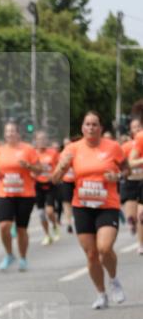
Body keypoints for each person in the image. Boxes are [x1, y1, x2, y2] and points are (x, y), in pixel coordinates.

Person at [52, 110, 126, 308]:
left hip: (107, 205)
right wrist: (62, 167)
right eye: (87, 124)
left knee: (105, 248)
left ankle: (114, 279)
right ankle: (101, 294)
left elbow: (125, 169)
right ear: (82, 128)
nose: (91, 128)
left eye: (95, 124)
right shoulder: (72, 149)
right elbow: (54, 179)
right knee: (92, 254)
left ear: (101, 128)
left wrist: (117, 177)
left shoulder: (113, 147)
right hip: (82, 206)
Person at [0, 121, 40, 272]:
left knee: (21, 229)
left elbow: (39, 170)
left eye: (13, 131)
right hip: (5, 193)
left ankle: (23, 258)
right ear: (5, 134)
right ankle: (9, 254)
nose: (10, 134)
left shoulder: (28, 149)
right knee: (4, 226)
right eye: (7, 131)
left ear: (18, 133)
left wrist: (28, 166)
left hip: (24, 194)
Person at [120, 118, 143, 253]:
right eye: (134, 127)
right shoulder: (126, 146)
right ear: (131, 130)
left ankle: (140, 244)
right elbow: (125, 164)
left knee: (141, 215)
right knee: (132, 217)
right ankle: (132, 224)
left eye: (139, 126)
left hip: (142, 181)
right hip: (130, 182)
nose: (137, 129)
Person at [34, 131, 60, 245]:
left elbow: (59, 168)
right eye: (39, 139)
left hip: (50, 185)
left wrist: (54, 175)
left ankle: (54, 225)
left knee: (49, 211)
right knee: (41, 213)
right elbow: (29, 169)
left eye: (44, 139)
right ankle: (47, 235)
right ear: (36, 141)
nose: (42, 141)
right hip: (37, 185)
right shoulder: (33, 153)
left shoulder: (53, 153)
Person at [60, 136, 76, 233]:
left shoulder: (76, 154)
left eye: (68, 143)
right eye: (65, 144)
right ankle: (69, 223)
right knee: (66, 203)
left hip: (76, 181)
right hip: (66, 182)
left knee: (75, 203)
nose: (67, 146)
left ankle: (76, 219)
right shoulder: (61, 155)